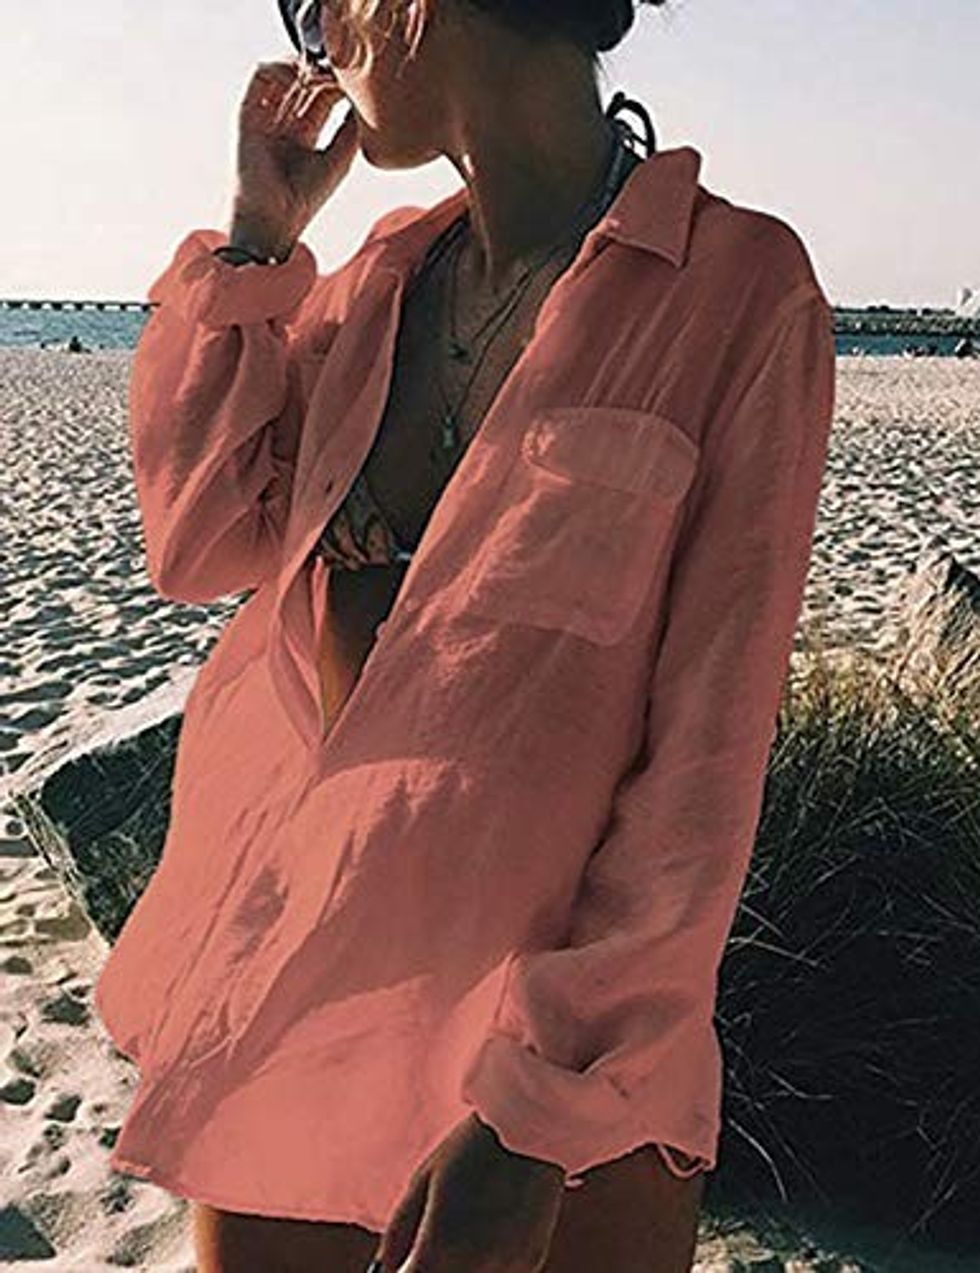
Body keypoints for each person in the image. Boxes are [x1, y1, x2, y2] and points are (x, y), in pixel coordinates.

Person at [93, 1, 836, 1270]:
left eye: (314, 10)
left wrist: (534, 1109)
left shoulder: (735, 291)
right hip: (302, 995)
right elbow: (201, 540)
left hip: (556, 1057)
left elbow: (706, 761)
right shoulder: (377, 284)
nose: (315, 51)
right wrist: (259, 238)